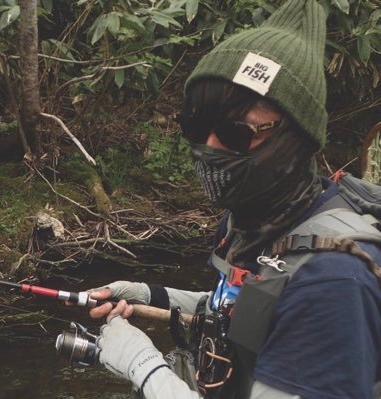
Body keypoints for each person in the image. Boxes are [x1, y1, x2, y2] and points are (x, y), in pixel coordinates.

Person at [89, 1, 381, 398]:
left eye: (236, 132)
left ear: (296, 138)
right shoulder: (246, 222)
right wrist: (145, 294)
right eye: (196, 126)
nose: (209, 147)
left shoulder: (332, 282)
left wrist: (143, 366)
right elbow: (236, 305)